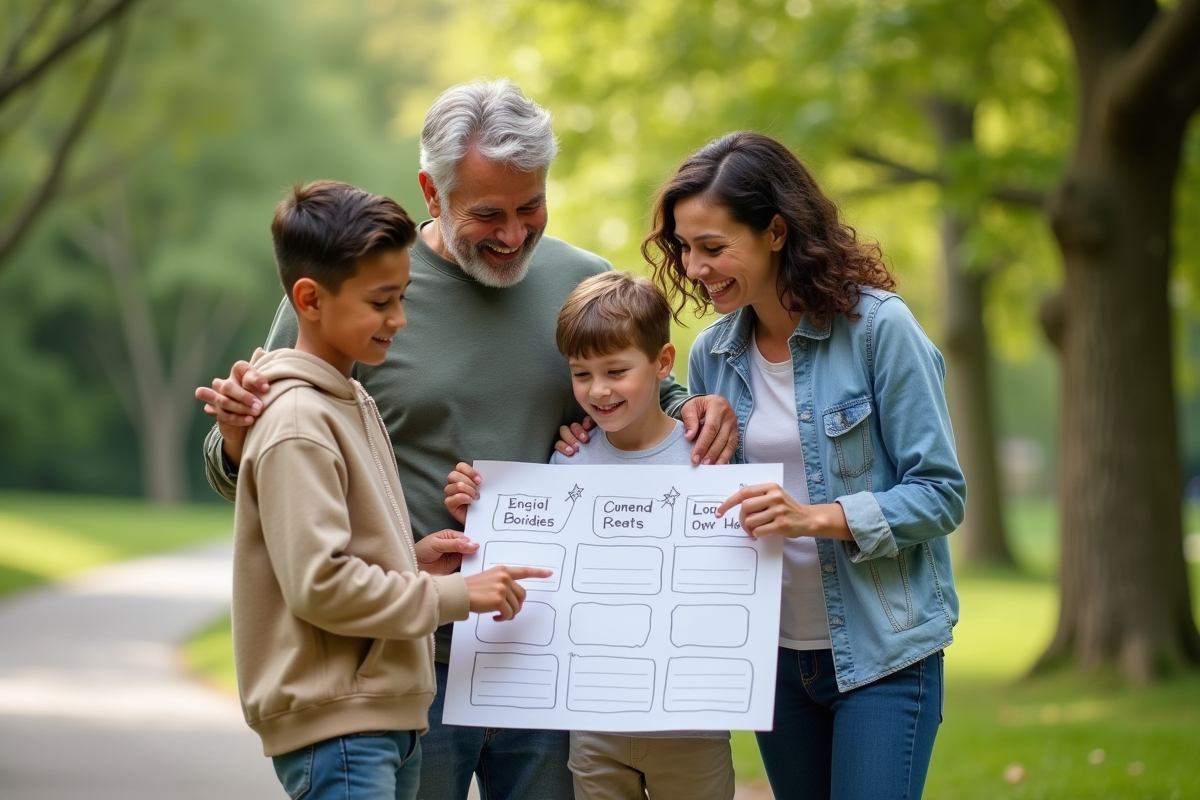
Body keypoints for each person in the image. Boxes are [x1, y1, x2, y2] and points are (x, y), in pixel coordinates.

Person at [195, 79, 738, 800]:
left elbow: (641, 400)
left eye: (530, 206)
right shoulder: (358, 292)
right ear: (432, 191)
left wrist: (693, 406)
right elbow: (251, 466)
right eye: (487, 213)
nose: (512, 234)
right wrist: (235, 439)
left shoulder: (582, 281)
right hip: (410, 658)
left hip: (546, 651)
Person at [643, 132, 967, 800]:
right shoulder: (712, 356)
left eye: (712, 247)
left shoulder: (880, 330)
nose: (694, 268)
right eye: (684, 247)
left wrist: (814, 517)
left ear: (776, 232)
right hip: (772, 657)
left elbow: (940, 494)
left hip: (883, 653)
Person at [229, 180, 549, 800]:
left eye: (402, 298)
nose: (399, 320)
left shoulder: (348, 399)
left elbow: (342, 556)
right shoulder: (299, 420)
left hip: (381, 718)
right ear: (310, 299)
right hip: (342, 728)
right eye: (381, 302)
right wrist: (455, 594)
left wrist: (411, 560)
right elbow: (321, 585)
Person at [443, 271, 736, 800]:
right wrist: (482, 513)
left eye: (616, 371)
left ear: (663, 362)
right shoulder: (567, 460)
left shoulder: (710, 460)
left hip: (691, 724)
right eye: (581, 374)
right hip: (593, 725)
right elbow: (540, 564)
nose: (598, 390)